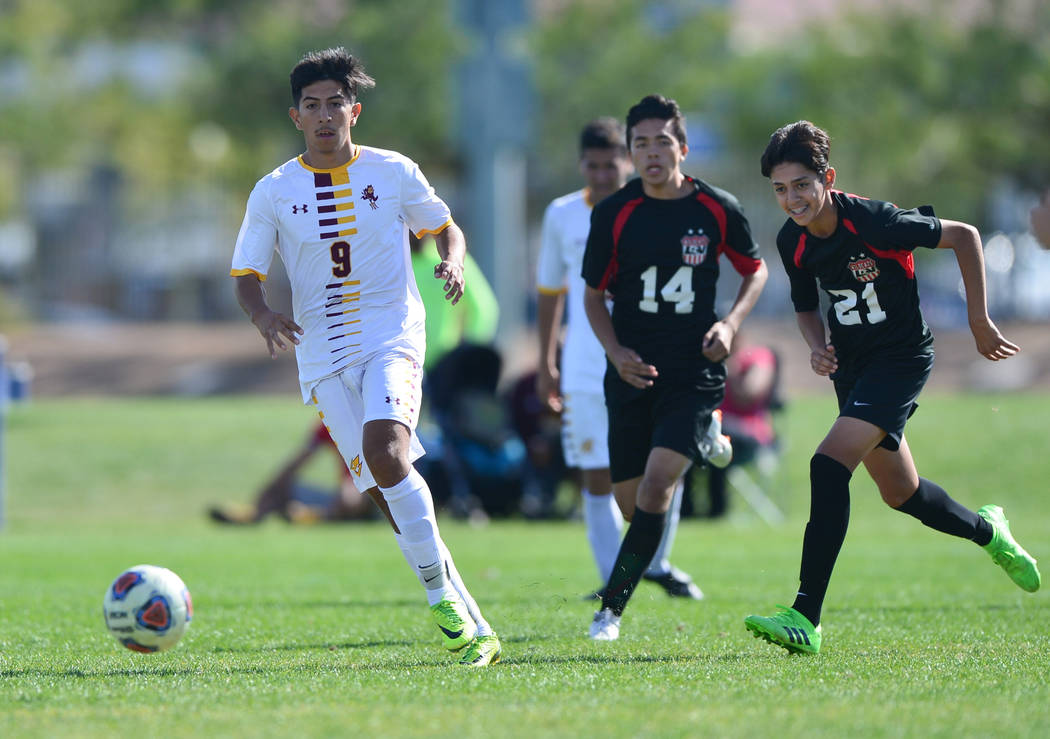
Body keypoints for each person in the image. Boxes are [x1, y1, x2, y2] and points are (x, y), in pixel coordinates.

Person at [229, 48, 500, 666]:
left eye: (335, 105)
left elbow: (443, 226)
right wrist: (264, 313)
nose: (325, 116)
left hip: (391, 333)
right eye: (312, 106)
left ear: (355, 110)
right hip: (320, 352)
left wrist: (452, 258)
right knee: (387, 492)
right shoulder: (274, 191)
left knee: (386, 452)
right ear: (296, 116)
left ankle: (439, 601)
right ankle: (476, 625)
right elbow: (246, 273)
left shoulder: (393, 171)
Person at [744, 120, 1040, 655]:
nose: (792, 199)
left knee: (826, 463)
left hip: (901, 360)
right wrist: (816, 345)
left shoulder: (874, 221)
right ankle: (990, 532)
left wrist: (979, 319)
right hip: (853, 370)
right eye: (780, 189)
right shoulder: (793, 240)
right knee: (901, 494)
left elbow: (965, 237)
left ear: (827, 178)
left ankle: (805, 616)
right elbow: (805, 304)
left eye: (802, 185)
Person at [582, 95, 768, 640]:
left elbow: (754, 271)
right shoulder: (614, 213)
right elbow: (594, 297)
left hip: (694, 368)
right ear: (630, 153)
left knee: (658, 486)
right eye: (640, 143)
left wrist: (730, 324)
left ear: (681, 148)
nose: (651, 152)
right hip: (634, 371)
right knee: (630, 500)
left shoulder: (716, 207)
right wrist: (616, 353)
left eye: (662, 141)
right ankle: (705, 434)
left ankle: (609, 611)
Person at [536, 117, 706, 599]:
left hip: (651, 361)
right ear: (581, 166)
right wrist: (546, 362)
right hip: (585, 369)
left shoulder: (653, 208)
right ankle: (615, 579)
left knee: (663, 465)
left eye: (611, 166)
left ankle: (656, 562)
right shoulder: (562, 215)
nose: (602, 176)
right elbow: (550, 292)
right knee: (596, 474)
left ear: (627, 163)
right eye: (592, 166)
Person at [209, 421, 377, 524]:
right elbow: (298, 461)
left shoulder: (373, 415)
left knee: (350, 494)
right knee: (282, 484)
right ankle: (253, 515)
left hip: (374, 492)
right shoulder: (330, 420)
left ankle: (314, 518)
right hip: (344, 494)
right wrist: (277, 484)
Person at [703, 332, 779, 518]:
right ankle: (687, 511)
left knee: (716, 435)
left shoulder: (758, 357)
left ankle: (717, 509)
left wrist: (731, 368)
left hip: (750, 433)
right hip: (713, 428)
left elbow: (749, 394)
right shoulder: (707, 359)